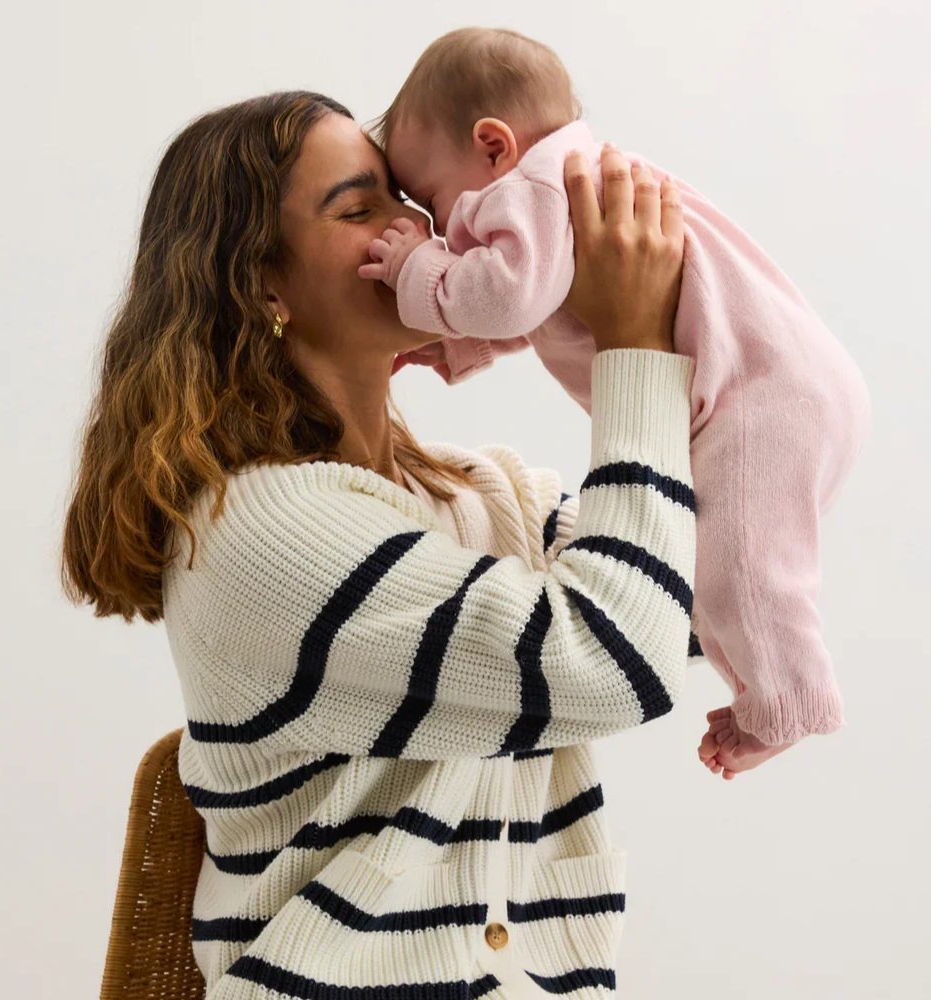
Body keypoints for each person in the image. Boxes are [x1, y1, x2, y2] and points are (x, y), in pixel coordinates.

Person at [62, 91, 694, 999]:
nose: (414, 227)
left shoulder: (480, 497)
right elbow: (615, 660)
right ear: (261, 286)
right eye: (360, 210)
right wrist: (633, 347)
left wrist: (642, 315)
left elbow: (691, 598)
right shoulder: (262, 530)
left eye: (409, 202)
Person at [365, 27, 872, 776]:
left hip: (758, 398)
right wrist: (453, 344)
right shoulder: (570, 186)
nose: (440, 226)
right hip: (780, 387)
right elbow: (539, 306)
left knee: (741, 571)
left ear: (494, 146)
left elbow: (507, 299)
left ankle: (788, 700)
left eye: (436, 198)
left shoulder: (536, 188)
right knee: (712, 560)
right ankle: (770, 682)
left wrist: (418, 270)